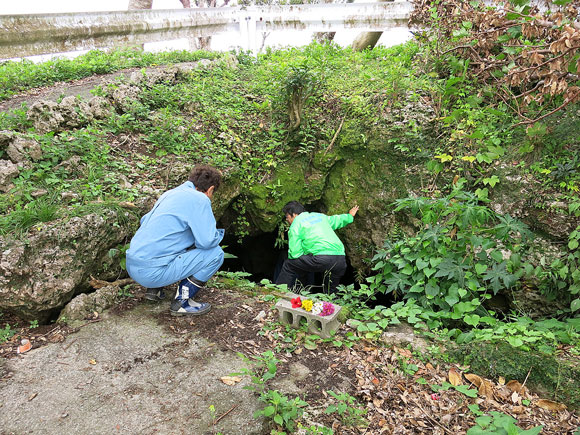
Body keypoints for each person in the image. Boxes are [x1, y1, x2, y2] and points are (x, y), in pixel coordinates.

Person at [125, 165, 225, 316]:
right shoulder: (201, 199)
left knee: (176, 238)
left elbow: (144, 221)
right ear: (210, 190)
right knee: (215, 254)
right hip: (152, 273)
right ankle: (182, 302)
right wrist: (218, 234)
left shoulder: (170, 194)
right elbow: (207, 241)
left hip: (132, 265)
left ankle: (154, 290)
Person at [275, 201, 359, 294]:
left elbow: (295, 254)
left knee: (289, 265)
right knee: (331, 291)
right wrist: (350, 216)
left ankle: (278, 292)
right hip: (340, 259)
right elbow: (337, 220)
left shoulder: (296, 224)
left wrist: (304, 254)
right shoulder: (320, 216)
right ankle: (330, 304)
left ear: (294, 214)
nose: (287, 220)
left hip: (321, 259)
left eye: (287, 217)